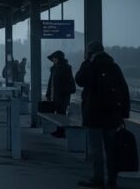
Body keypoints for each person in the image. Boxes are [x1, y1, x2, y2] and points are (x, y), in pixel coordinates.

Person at [75, 41, 130, 189]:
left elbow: (79, 80)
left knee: (96, 150)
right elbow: (124, 90)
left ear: (90, 52)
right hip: (112, 116)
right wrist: (124, 113)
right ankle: (112, 181)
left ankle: (98, 179)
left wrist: (86, 62)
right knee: (111, 149)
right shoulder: (114, 67)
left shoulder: (90, 66)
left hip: (93, 115)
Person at [45, 50, 75, 138]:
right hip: (55, 94)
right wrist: (48, 93)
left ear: (58, 58)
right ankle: (59, 130)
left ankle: (62, 131)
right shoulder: (54, 68)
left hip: (63, 95)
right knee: (58, 113)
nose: (53, 60)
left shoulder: (66, 68)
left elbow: (68, 82)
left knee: (61, 113)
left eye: (54, 58)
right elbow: (51, 82)